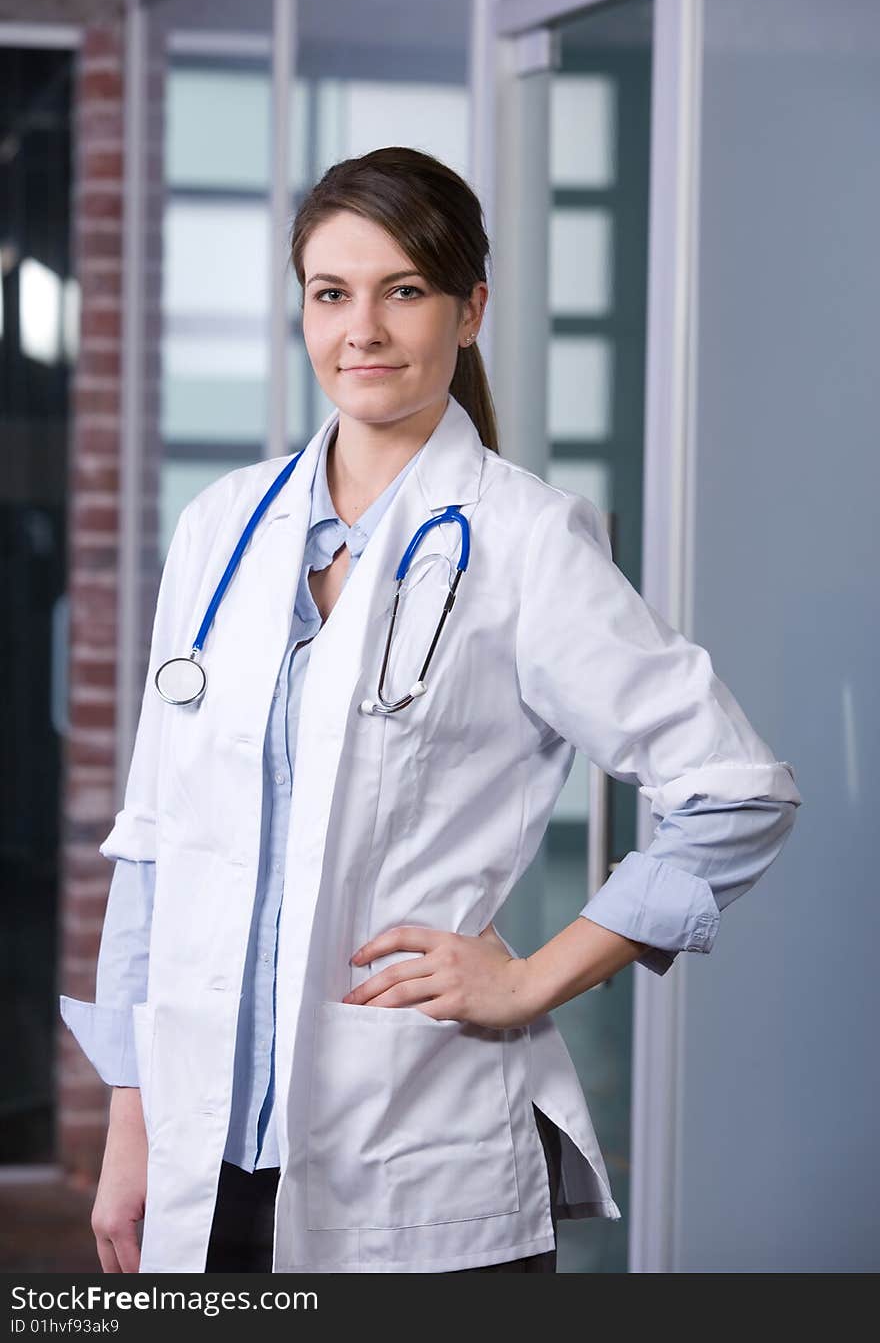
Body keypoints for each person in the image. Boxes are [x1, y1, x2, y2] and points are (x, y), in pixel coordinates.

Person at [59, 146, 801, 1275]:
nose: (362, 328)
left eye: (403, 290)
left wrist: (531, 977)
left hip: (416, 1166)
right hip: (204, 1170)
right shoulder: (221, 528)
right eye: (330, 293)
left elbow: (736, 791)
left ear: (469, 312)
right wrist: (131, 1123)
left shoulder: (525, 541)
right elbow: (156, 845)